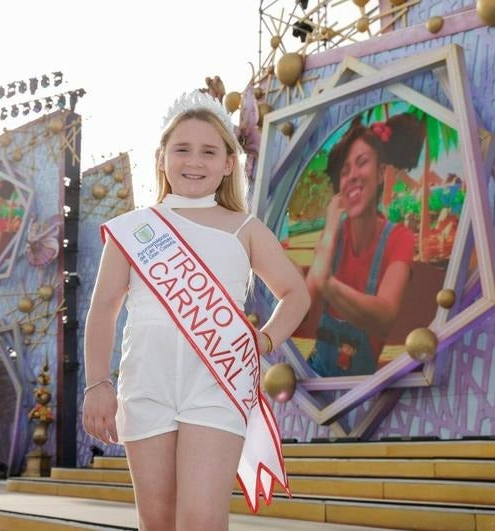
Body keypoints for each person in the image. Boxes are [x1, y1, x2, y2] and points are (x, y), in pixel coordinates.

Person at [82, 90, 309, 530]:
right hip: (146, 384)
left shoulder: (243, 227)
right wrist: (97, 385)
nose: (194, 161)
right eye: (182, 149)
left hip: (217, 385)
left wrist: (263, 341)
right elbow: (104, 310)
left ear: (228, 163)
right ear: (162, 157)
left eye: (209, 151)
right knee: (159, 521)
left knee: (201, 519)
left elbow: (295, 293)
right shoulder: (135, 229)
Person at [304, 113, 425, 377]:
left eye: (362, 163)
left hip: (363, 391)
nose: (353, 176)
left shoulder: (399, 238)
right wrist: (328, 232)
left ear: (381, 173)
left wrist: (328, 283)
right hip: (315, 380)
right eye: (344, 171)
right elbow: (300, 313)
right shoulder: (333, 238)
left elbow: (384, 318)